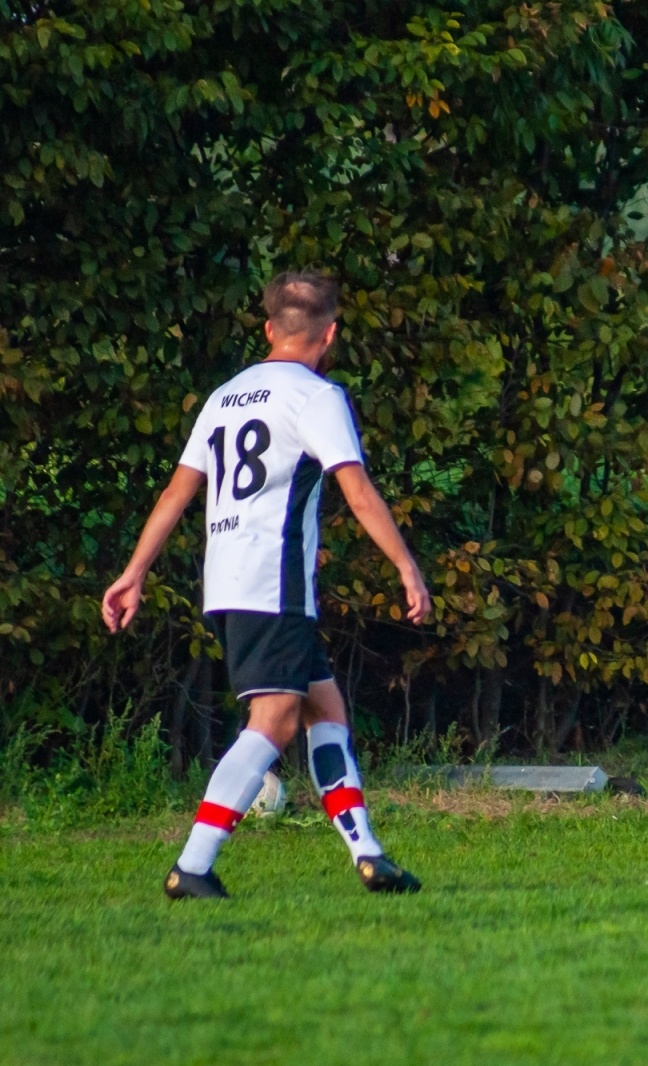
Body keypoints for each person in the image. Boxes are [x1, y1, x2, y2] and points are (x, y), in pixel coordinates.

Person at [102, 271, 432, 899]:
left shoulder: (226, 395)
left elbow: (178, 491)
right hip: (272, 580)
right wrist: (406, 566)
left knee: (323, 707)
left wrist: (133, 572)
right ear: (329, 334)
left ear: (267, 330)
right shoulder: (316, 396)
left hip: (227, 580)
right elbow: (356, 490)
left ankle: (369, 854)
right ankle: (193, 864)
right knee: (276, 718)